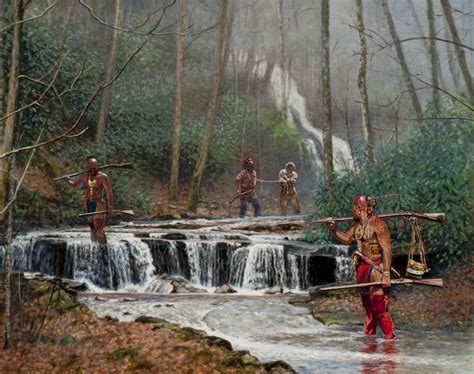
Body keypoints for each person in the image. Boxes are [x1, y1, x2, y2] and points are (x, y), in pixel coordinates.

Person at [325, 195, 396, 339]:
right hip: (362, 268)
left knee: (379, 306)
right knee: (368, 307)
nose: (354, 209)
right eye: (354, 206)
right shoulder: (356, 225)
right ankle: (369, 340)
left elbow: (387, 250)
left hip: (376, 268)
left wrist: (387, 273)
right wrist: (333, 230)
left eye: (357, 206)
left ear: (367, 209)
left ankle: (390, 339)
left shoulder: (379, 225)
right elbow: (346, 239)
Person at [65, 157, 113, 244]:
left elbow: (108, 192)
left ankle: (103, 248)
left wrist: (110, 206)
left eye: (94, 168)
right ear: (88, 167)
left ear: (97, 166)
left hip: (99, 203)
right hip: (88, 203)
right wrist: (67, 181)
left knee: (98, 226)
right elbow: (74, 184)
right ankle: (94, 248)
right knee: (92, 226)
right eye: (90, 168)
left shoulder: (103, 177)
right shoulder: (83, 176)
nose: (92, 170)